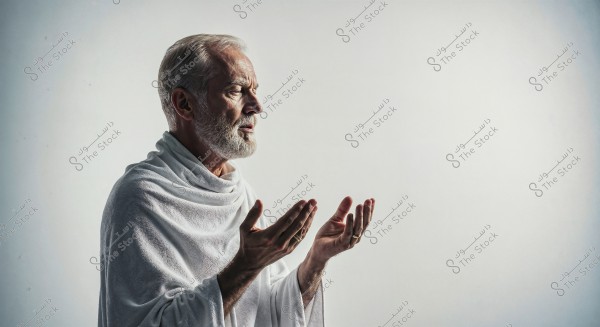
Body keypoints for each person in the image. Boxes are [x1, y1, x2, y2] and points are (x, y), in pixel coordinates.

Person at [97, 33, 375, 327]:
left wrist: (315, 262)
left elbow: (265, 307)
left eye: (254, 90)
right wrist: (246, 264)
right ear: (184, 104)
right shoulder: (140, 197)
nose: (256, 105)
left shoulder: (238, 191)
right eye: (236, 90)